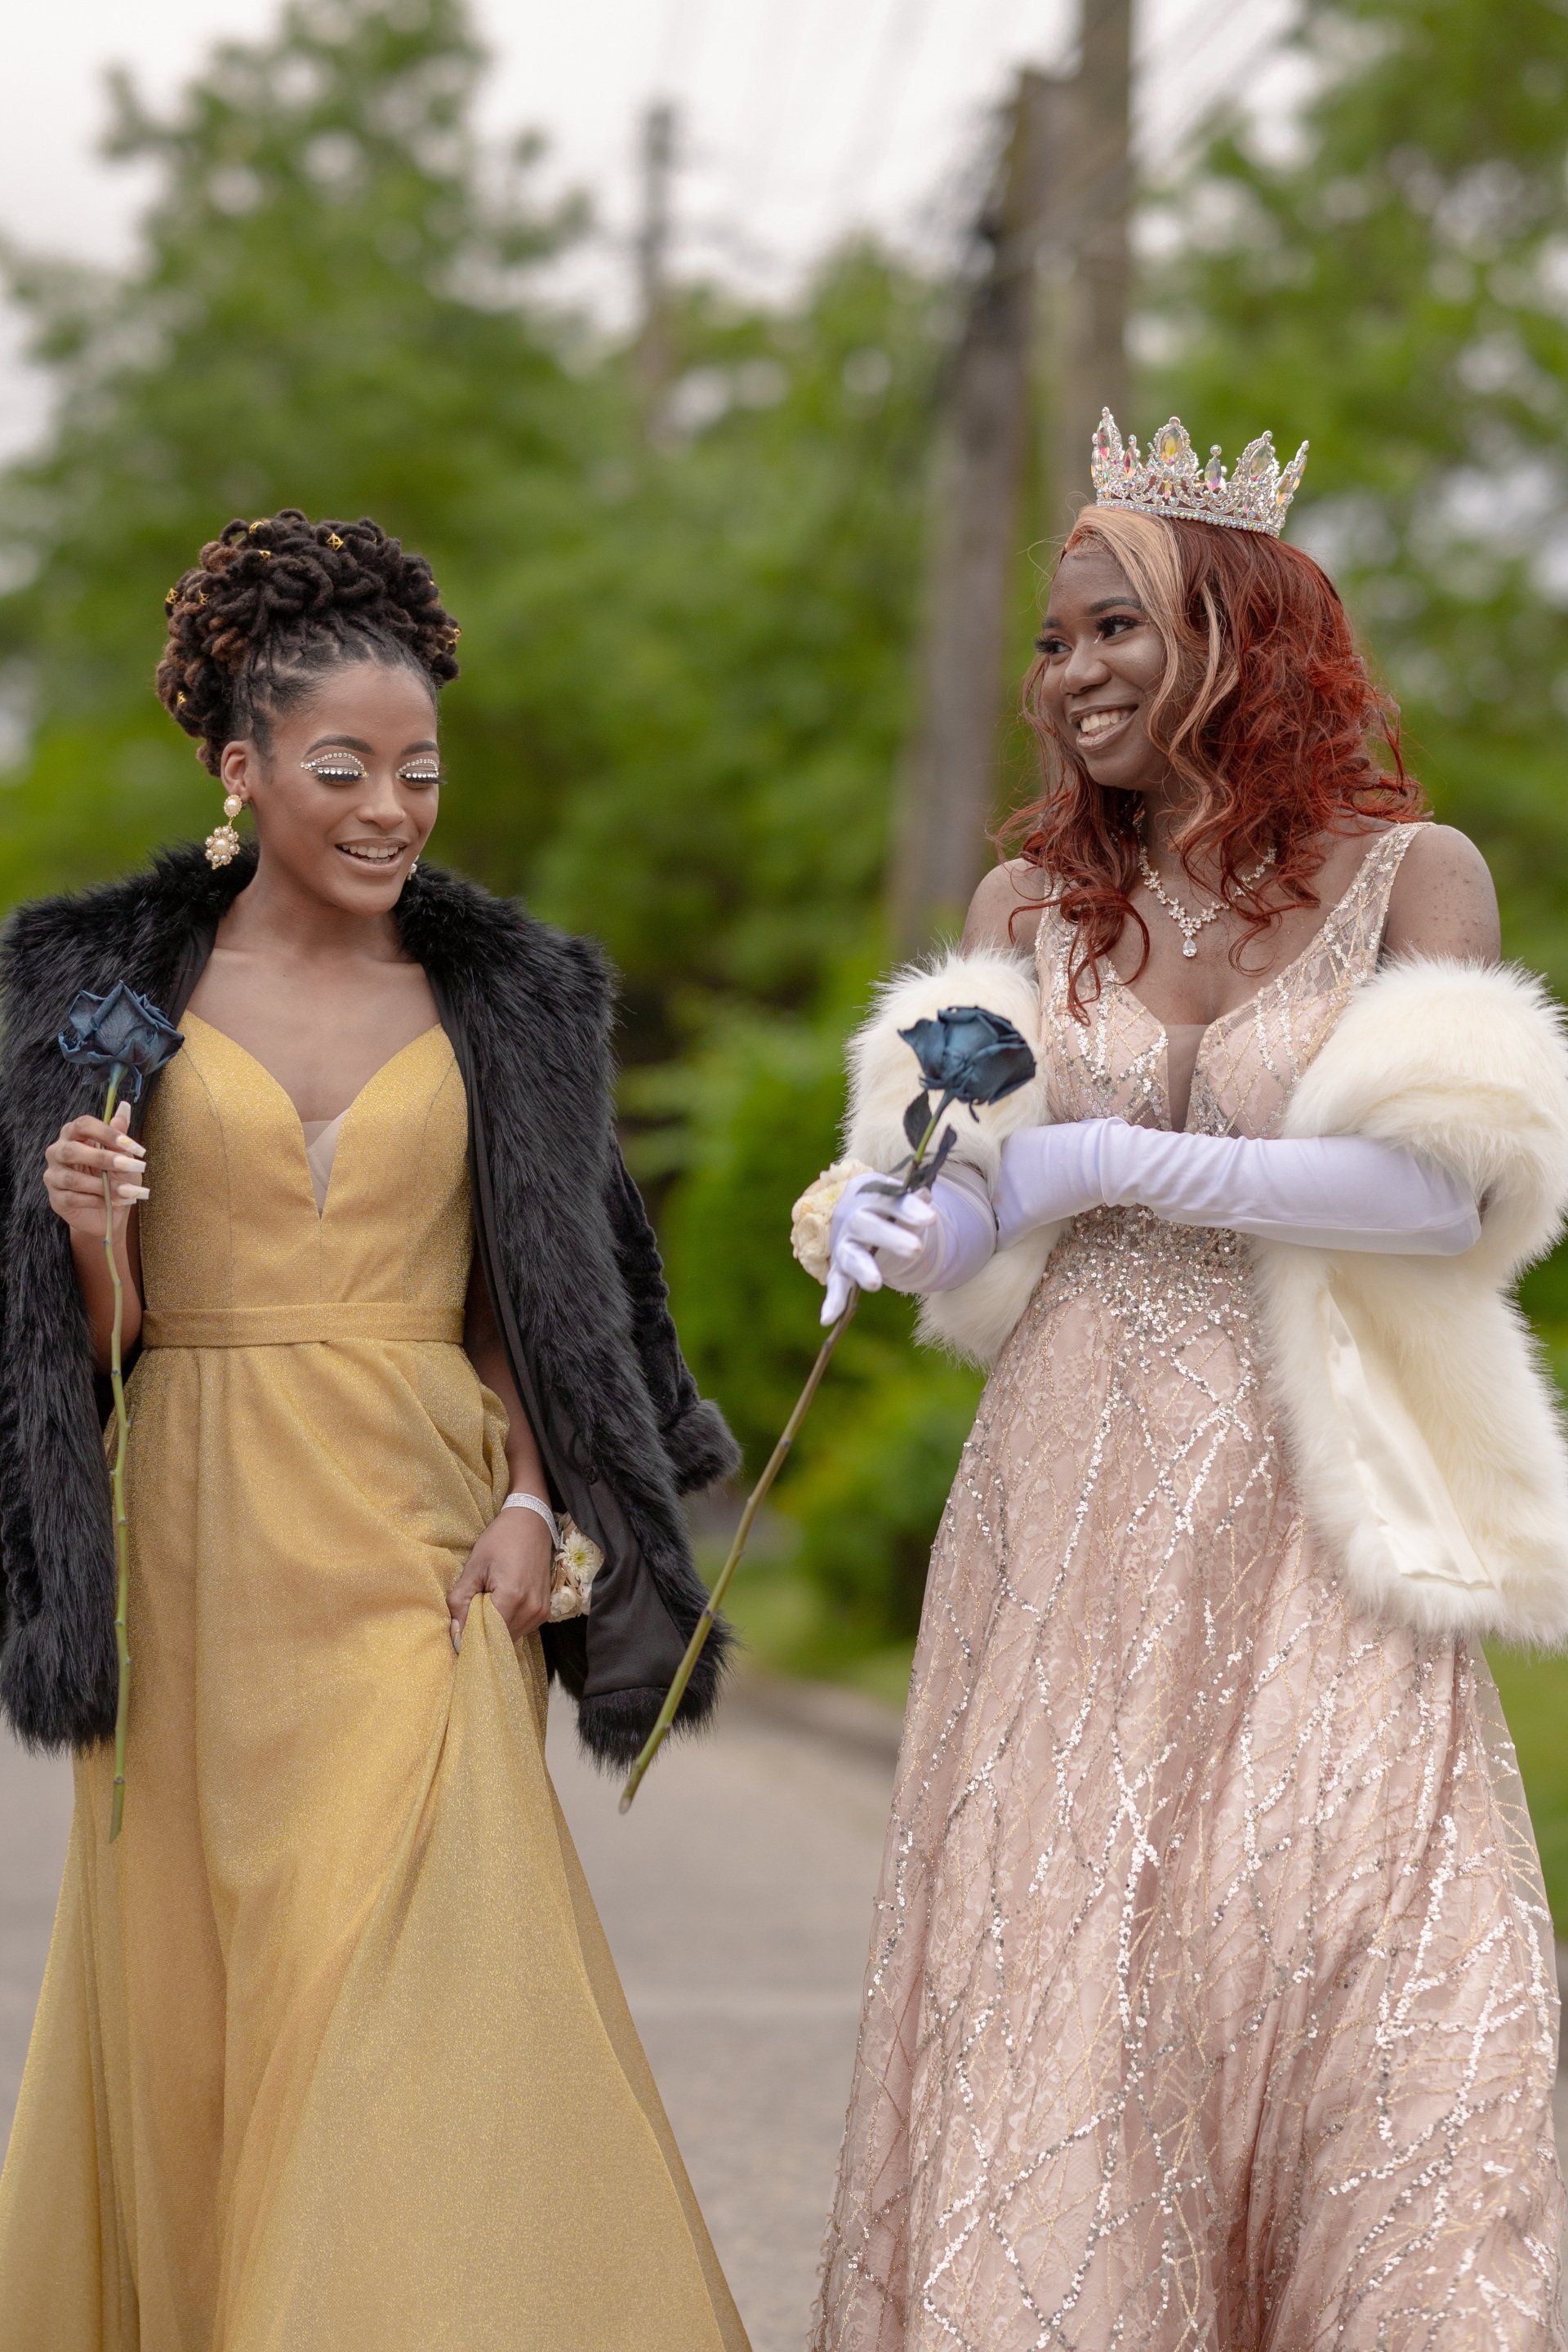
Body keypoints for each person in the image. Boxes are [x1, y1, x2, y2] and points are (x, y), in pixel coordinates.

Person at [800, 416, 1568, 2348]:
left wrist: (1105, 1159)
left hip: (1328, 1488)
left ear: (1242, 633)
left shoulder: (1414, 878)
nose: (1071, 675)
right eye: (1053, 642)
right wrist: (892, 1219)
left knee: (1357, 1944)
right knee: (1082, 1943)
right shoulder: (1026, 912)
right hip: (1071, 1491)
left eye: (1114, 628)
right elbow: (975, 1209)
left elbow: (1440, 1192)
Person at [0, 510, 750, 2351]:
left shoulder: (511, 1005)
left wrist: (534, 1503)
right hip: (196, 1540)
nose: (390, 809)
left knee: (411, 1983)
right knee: (212, 2004)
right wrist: (88, 1227)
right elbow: (91, 1357)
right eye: (342, 769)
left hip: (426, 1535)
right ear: (239, 772)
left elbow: (540, 1301)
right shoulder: (110, 1004)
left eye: (419, 771)